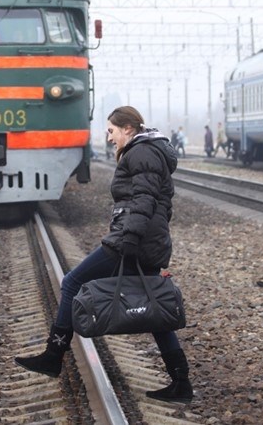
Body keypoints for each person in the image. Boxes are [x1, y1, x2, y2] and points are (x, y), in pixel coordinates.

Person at [14, 106, 194, 403]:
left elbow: (144, 200)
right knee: (155, 310)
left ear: (127, 129)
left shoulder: (141, 153)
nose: (109, 137)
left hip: (132, 241)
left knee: (72, 282)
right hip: (147, 241)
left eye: (111, 131)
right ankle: (181, 381)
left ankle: (53, 354)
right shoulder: (149, 150)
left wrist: (129, 238)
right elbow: (161, 205)